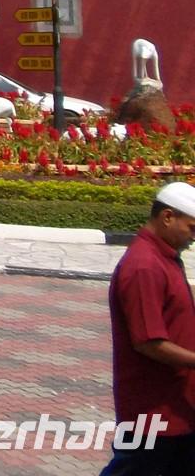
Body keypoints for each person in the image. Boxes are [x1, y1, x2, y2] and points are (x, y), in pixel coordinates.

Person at [101, 181, 195, 474]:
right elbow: (148, 342)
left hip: (178, 406)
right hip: (152, 411)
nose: (193, 238)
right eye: (192, 228)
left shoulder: (165, 258)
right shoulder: (144, 266)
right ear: (168, 217)